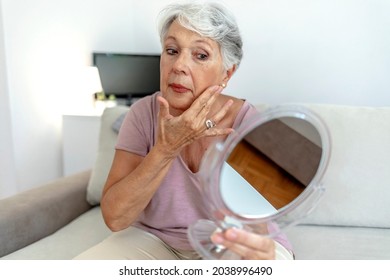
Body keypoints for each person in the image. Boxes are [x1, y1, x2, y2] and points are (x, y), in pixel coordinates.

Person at [75, 1, 294, 260]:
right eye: (171, 50)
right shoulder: (142, 115)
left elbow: (258, 224)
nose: (179, 65)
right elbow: (115, 217)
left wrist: (256, 252)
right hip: (155, 237)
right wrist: (167, 148)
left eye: (200, 55)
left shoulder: (248, 123)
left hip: (227, 237)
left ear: (227, 73)